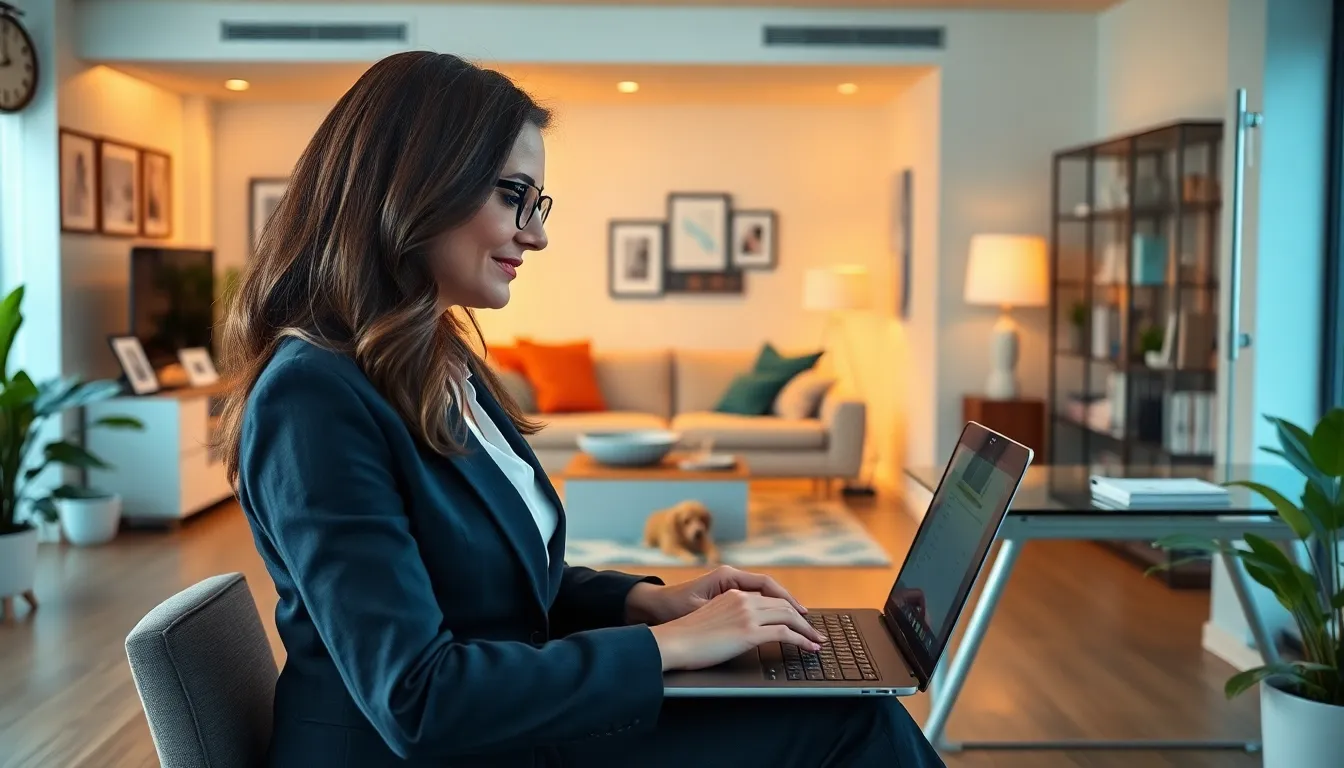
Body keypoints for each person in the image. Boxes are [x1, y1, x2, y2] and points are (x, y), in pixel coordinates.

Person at [216, 51, 946, 768]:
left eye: (539, 205)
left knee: (843, 705)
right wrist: (668, 649)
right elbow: (417, 698)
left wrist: (650, 605)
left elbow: (500, 586)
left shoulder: (433, 358)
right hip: (438, 748)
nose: (535, 234)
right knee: (852, 721)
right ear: (416, 186)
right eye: (514, 196)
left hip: (510, 720)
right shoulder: (313, 397)